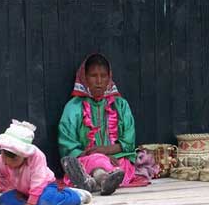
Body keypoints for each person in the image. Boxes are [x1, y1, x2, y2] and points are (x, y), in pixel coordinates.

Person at [58, 54, 154, 195]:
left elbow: (128, 142)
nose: (99, 81)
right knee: (94, 161)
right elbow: (68, 146)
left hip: (117, 159)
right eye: (93, 76)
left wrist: (105, 151)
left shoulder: (121, 105)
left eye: (103, 76)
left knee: (122, 164)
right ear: (84, 78)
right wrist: (99, 156)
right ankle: (103, 179)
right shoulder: (73, 107)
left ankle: (92, 182)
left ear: (109, 78)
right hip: (86, 159)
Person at [0, 120, 91, 205]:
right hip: (23, 192)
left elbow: (38, 180)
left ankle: (77, 195)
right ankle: (36, 203)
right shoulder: (2, 160)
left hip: (44, 187)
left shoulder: (36, 157)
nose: (7, 161)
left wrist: (31, 203)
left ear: (24, 155)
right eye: (5, 155)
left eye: (13, 158)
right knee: (4, 201)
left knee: (47, 201)